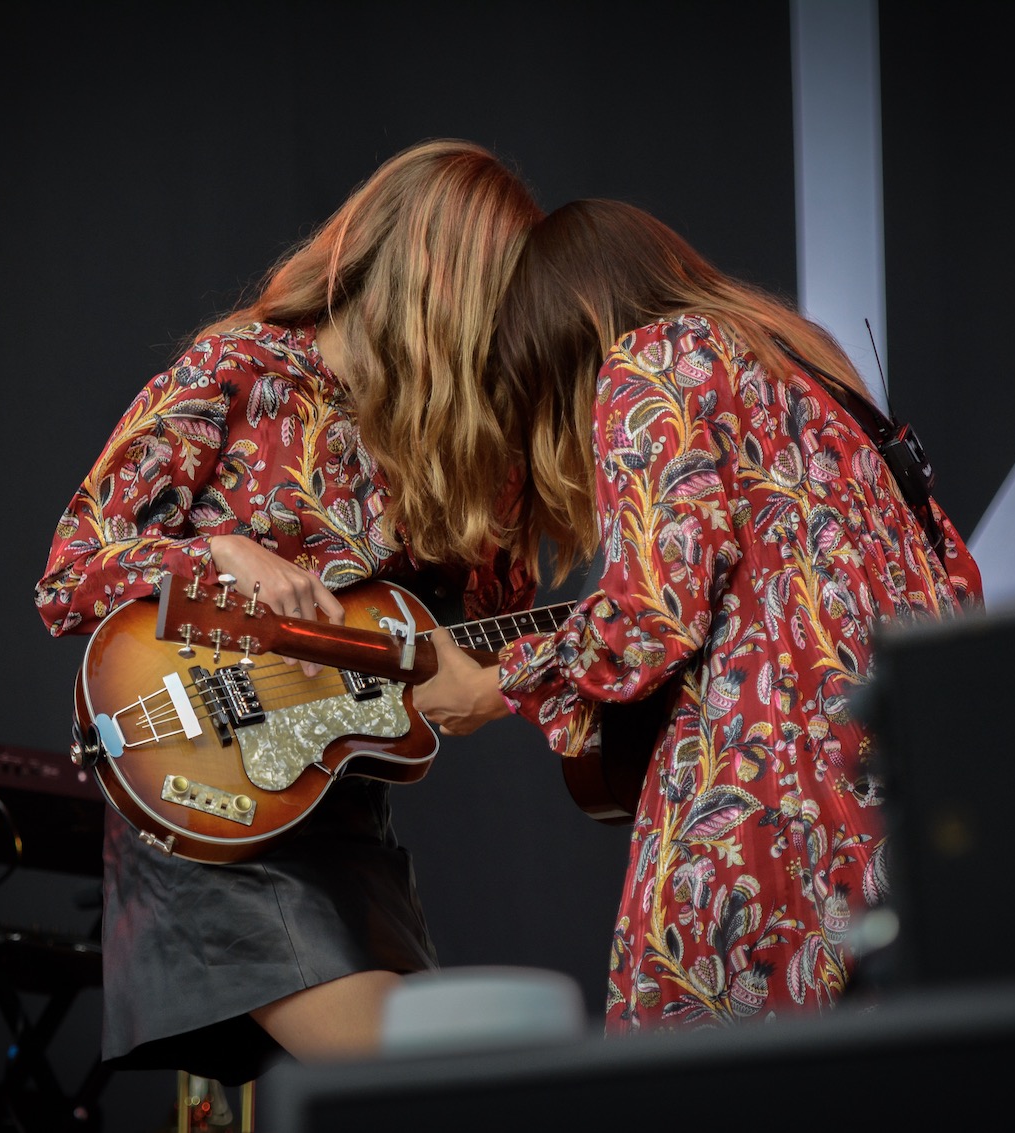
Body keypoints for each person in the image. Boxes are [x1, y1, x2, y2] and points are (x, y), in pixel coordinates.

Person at [33, 138, 542, 1084]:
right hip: (210, 797)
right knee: (426, 1079)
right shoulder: (238, 367)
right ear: (424, 268)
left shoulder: (452, 435)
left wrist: (496, 682)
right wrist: (219, 553)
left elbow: (482, 641)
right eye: (486, 301)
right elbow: (71, 574)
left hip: (345, 811)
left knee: (442, 1080)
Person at [414, 199, 984, 1032]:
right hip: (901, 811)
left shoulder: (654, 359)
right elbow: (956, 578)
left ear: (572, 329)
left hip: (761, 818)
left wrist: (496, 683)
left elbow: (652, 613)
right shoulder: (812, 369)